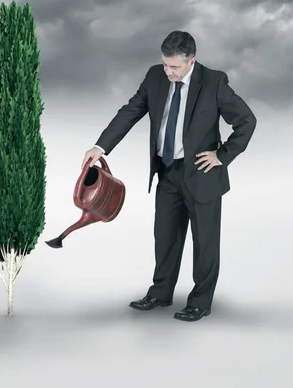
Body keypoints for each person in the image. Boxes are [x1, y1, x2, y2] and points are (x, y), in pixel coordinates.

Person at [81, 30, 257, 322]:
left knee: (205, 243)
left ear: (192, 61)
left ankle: (200, 303)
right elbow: (130, 111)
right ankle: (160, 293)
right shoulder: (154, 77)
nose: (168, 71)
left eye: (174, 67)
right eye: (165, 64)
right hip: (167, 172)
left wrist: (222, 156)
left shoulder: (213, 82)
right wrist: (101, 147)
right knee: (165, 238)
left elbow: (247, 120)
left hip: (202, 175)